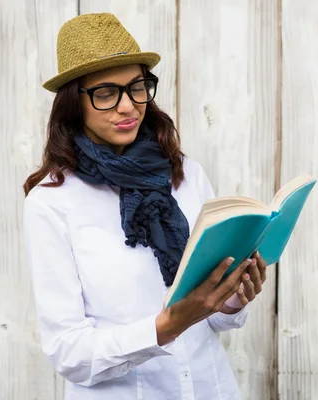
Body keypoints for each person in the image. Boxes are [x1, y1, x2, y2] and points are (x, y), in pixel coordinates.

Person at [23, 12, 267, 400]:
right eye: (106, 93)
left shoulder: (186, 174)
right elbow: (68, 352)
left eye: (137, 86)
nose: (128, 106)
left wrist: (233, 298)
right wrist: (164, 327)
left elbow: (214, 319)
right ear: (74, 103)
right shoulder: (52, 203)